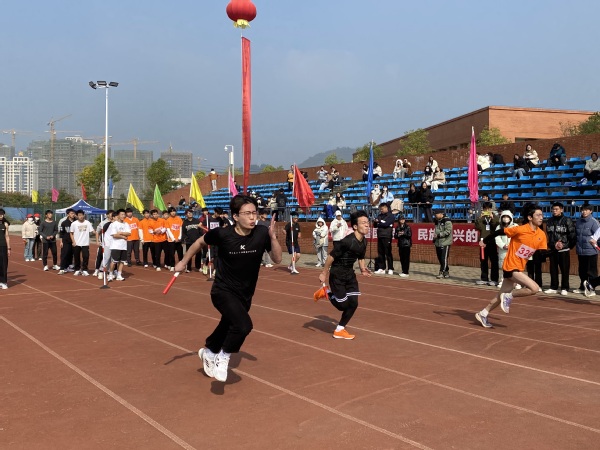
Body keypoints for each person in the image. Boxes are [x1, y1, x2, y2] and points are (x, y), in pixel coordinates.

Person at [174, 195, 282, 382]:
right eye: (247, 213)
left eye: (254, 213)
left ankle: (209, 351)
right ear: (235, 216)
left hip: (245, 293)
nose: (252, 217)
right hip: (222, 290)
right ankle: (223, 357)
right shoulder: (223, 234)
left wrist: (273, 238)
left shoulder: (261, 233)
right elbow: (199, 242)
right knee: (243, 326)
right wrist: (183, 262)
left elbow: (277, 259)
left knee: (228, 324)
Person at [475, 204, 548, 328]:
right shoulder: (519, 229)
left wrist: (556, 250)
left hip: (519, 267)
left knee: (500, 296)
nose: (541, 217)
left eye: (542, 215)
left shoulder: (541, 234)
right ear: (530, 217)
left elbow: (541, 255)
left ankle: (483, 313)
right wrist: (485, 241)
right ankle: (510, 295)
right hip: (510, 266)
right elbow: (500, 231)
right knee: (534, 288)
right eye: (538, 215)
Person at [315, 210, 371, 340]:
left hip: (350, 275)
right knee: (342, 306)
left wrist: (363, 269)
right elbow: (331, 256)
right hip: (337, 275)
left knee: (354, 303)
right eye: (363, 223)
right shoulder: (347, 241)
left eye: (367, 222)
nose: (367, 225)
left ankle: (339, 329)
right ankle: (326, 292)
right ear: (355, 226)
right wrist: (324, 273)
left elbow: (361, 257)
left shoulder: (364, 241)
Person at [544, 202, 576, 296]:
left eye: (556, 209)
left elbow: (572, 235)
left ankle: (564, 287)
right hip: (553, 249)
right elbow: (549, 235)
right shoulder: (549, 221)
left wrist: (567, 246)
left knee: (564, 269)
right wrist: (552, 245)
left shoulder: (567, 220)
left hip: (564, 250)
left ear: (561, 210)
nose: (554, 211)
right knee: (553, 269)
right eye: (553, 209)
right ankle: (553, 287)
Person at [573, 203, 599, 295]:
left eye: (586, 210)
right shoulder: (578, 221)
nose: (584, 212)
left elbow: (598, 237)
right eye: (583, 210)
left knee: (592, 272)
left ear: (591, 211)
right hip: (581, 251)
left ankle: (592, 289)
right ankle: (582, 287)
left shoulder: (594, 222)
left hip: (591, 251)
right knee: (582, 271)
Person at [475, 202, 500, 286]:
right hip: (483, 241)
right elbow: (478, 227)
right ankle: (484, 278)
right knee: (483, 260)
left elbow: (497, 226)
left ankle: (494, 279)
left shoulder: (495, 217)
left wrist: (492, 218)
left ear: (491, 209)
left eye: (489, 209)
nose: (487, 210)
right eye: (485, 209)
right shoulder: (481, 218)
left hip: (492, 241)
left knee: (494, 261)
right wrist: (479, 218)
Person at [106, 209, 131, 281]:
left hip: (123, 246)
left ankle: (119, 275)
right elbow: (114, 235)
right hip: (115, 246)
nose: (123, 216)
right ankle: (110, 274)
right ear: (118, 215)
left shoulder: (126, 224)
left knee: (122, 261)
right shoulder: (114, 224)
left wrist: (121, 233)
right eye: (122, 214)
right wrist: (123, 236)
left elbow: (129, 233)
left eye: (124, 214)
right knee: (114, 261)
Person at [495, 210, 517, 288]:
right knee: (503, 265)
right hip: (503, 250)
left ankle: (516, 282)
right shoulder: (499, 227)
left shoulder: (515, 226)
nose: (505, 218)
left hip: (513, 250)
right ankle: (502, 281)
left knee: (514, 266)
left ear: (510, 218)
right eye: (504, 217)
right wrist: (503, 245)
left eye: (507, 217)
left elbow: (519, 237)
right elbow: (497, 238)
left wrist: (513, 246)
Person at [69, 210, 93, 276]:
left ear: (84, 215)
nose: (81, 216)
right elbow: (71, 233)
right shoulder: (74, 224)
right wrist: (73, 241)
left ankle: (84, 269)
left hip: (85, 243)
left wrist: (98, 232)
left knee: (86, 256)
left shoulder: (87, 223)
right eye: (79, 215)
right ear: (76, 216)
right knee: (76, 257)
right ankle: (77, 269)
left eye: (82, 215)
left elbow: (92, 231)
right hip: (77, 243)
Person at [373, 202, 395, 275]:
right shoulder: (379, 216)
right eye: (380, 209)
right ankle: (382, 268)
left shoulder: (391, 216)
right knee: (380, 253)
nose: (381, 210)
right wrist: (377, 222)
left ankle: (390, 268)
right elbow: (375, 225)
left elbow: (386, 224)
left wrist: (379, 223)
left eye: (382, 209)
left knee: (388, 253)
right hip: (380, 236)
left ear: (386, 208)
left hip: (387, 236)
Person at [433, 209, 452, 278]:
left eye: (436, 214)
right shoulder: (437, 221)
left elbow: (448, 231)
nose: (435, 216)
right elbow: (436, 230)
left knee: (443, 258)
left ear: (441, 214)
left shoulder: (447, 221)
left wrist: (439, 235)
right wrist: (435, 238)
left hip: (445, 242)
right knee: (440, 258)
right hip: (438, 242)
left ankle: (441, 272)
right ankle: (446, 271)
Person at [58, 209, 76, 274]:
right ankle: (62, 268)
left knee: (71, 254)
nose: (73, 215)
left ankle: (68, 266)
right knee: (64, 254)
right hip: (66, 241)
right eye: (71, 213)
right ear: (68, 214)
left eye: (73, 213)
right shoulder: (64, 223)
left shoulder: (76, 222)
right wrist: (61, 241)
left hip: (74, 241)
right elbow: (61, 233)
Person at [166, 207, 183, 271]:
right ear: (169, 213)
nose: (173, 212)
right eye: (171, 211)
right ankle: (172, 265)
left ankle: (181, 265)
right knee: (171, 254)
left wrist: (179, 238)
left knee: (180, 253)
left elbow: (181, 228)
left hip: (178, 240)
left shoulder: (179, 219)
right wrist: (173, 239)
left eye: (174, 211)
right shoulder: (168, 220)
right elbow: (168, 230)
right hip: (171, 240)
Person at [0, 209, 11, 289]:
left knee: (4, 264)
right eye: (0, 214)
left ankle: (3, 282)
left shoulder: (5, 224)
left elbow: (7, 236)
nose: (1, 216)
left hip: (3, 246)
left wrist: (9, 248)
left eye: (2, 214)